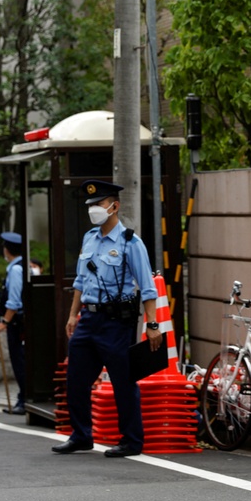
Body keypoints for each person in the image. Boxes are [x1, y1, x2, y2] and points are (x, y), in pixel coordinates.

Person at [53, 180, 162, 458]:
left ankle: (131, 441)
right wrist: (72, 314)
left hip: (116, 322)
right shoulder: (89, 238)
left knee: (122, 382)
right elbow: (80, 280)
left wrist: (152, 325)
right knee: (76, 379)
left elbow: (147, 287)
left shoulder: (130, 243)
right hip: (88, 319)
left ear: (115, 206)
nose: (93, 209)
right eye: (90, 205)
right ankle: (81, 436)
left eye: (98, 204)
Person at [0, 232, 26, 415]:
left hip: (17, 324)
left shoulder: (15, 270)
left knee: (19, 361)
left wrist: (4, 321)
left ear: (7, 250)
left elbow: (14, 301)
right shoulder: (24, 266)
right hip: (20, 322)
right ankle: (22, 397)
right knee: (21, 360)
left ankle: (23, 399)